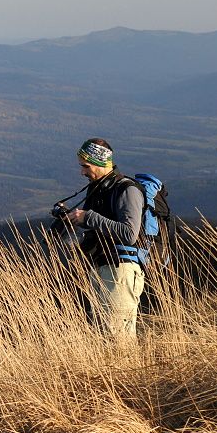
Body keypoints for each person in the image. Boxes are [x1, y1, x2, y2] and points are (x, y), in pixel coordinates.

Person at [64, 138, 145, 348]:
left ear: (100, 162)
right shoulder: (98, 189)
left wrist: (88, 217)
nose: (82, 172)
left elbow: (129, 234)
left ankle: (128, 370)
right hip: (102, 268)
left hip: (121, 269)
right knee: (103, 337)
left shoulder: (127, 190)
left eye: (86, 166)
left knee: (118, 339)